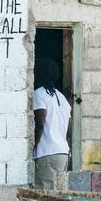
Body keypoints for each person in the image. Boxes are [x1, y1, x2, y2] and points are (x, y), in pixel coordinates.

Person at [32, 59, 72, 189]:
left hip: (47, 153)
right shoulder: (62, 98)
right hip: (63, 153)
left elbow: (40, 124)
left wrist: (34, 145)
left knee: (43, 197)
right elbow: (69, 130)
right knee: (58, 195)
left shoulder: (39, 94)